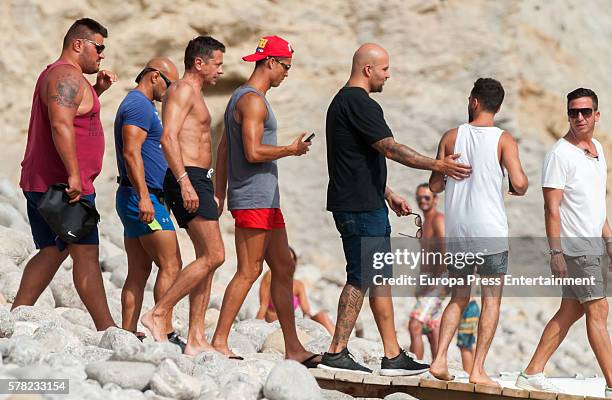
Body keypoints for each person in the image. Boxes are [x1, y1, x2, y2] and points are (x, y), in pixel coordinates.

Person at [319, 43, 471, 376]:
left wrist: (387, 193)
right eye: (385, 69)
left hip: (364, 203)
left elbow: (355, 161)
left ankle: (391, 354)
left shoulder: (342, 102)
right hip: (360, 209)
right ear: (368, 69)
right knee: (361, 277)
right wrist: (438, 165)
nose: (389, 74)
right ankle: (337, 350)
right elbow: (391, 148)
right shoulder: (360, 103)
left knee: (376, 278)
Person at [212, 35, 319, 366]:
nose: (287, 73)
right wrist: (291, 149)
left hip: (265, 199)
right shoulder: (252, 101)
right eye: (286, 66)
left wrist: (219, 190)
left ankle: (294, 348)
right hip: (252, 198)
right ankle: (218, 341)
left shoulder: (245, 99)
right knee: (249, 270)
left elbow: (225, 149)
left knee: (284, 266)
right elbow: (252, 151)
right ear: (270, 62)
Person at [15, 18, 117, 330]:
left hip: (42, 181)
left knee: (52, 250)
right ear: (78, 44)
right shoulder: (66, 77)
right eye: (98, 47)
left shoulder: (64, 76)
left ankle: (15, 316)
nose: (101, 55)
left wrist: (97, 89)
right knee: (86, 254)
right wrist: (74, 175)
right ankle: (107, 329)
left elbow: (73, 115)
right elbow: (61, 124)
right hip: (63, 186)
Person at [428, 78, 528, 386]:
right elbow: (521, 183)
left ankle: (440, 358)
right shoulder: (503, 139)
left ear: (474, 101)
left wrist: (444, 170)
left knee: (458, 296)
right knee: (491, 300)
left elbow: (434, 186)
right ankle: (477, 370)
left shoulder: (451, 137)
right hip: (490, 230)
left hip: (459, 230)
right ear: (496, 107)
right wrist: (511, 186)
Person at [515, 88, 612, 398]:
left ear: (597, 115)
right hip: (575, 248)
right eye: (573, 112)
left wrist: (608, 239)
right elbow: (551, 207)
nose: (579, 117)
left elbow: (595, 204)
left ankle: (531, 372)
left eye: (585, 112)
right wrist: (555, 252)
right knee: (599, 311)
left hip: (594, 246)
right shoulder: (560, 154)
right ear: (567, 114)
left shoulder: (597, 148)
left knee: (571, 310)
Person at [141, 36, 226, 356]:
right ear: (199, 63)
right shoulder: (180, 90)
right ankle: (158, 313)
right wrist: (185, 182)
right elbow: (168, 137)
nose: (221, 70)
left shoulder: (197, 95)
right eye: (217, 63)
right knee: (215, 255)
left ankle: (195, 338)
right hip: (185, 177)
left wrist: (210, 184)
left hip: (198, 178)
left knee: (208, 258)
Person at [114, 57, 186, 349]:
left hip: (136, 196)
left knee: (139, 270)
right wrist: (145, 196)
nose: (170, 93)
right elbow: (131, 153)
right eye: (169, 85)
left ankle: (128, 332)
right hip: (142, 198)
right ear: (155, 76)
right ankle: (163, 330)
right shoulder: (139, 105)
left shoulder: (143, 106)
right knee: (172, 264)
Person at [257, 247, 335, 335]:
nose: (287, 263)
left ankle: (338, 342)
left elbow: (306, 310)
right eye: (284, 259)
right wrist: (256, 326)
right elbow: (263, 306)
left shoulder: (298, 284)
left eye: (291, 260)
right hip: (276, 324)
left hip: (294, 323)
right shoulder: (270, 276)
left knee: (322, 316)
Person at [408, 183, 446, 361]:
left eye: (427, 197)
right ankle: (438, 367)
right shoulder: (425, 223)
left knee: (415, 325)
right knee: (432, 328)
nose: (422, 201)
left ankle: (414, 369)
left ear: (436, 199)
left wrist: (436, 282)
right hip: (428, 280)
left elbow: (446, 251)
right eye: (419, 197)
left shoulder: (438, 219)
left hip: (439, 280)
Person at [457, 299, 480, 373]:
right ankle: (475, 373)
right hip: (472, 306)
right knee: (471, 342)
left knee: (465, 345)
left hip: (467, 307)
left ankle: (468, 375)